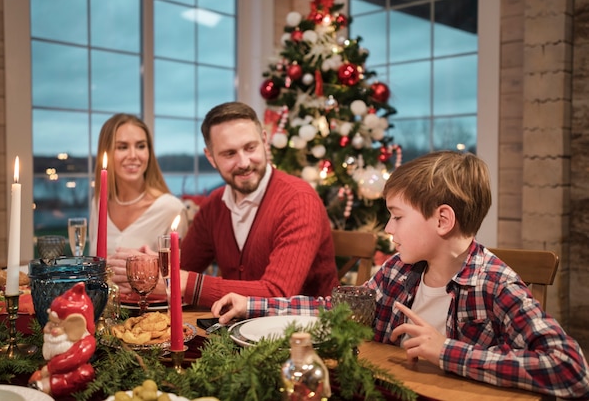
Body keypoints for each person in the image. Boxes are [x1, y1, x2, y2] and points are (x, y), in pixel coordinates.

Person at [211, 151, 589, 399]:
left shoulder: (495, 284)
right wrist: (252, 305)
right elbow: (338, 312)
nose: (388, 228)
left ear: (442, 219)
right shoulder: (399, 270)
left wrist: (446, 352)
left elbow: (571, 369)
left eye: (397, 215)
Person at [177, 101, 339, 307]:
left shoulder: (299, 200)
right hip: (230, 333)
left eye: (250, 148)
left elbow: (279, 293)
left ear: (264, 140)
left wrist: (190, 284)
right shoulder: (214, 206)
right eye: (229, 154)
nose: (244, 162)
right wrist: (152, 268)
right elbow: (181, 269)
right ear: (210, 157)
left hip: (307, 332)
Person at [88, 113, 188, 281]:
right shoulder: (99, 203)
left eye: (141, 146)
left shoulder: (171, 209)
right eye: (122, 147)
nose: (133, 155)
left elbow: (180, 282)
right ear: (107, 153)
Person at [29, 282, 96, 397]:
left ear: (74, 325)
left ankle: (47, 386)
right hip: (52, 368)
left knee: (84, 373)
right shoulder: (60, 339)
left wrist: (50, 368)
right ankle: (41, 381)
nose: (49, 328)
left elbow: (71, 359)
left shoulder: (86, 342)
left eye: (56, 324)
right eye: (50, 323)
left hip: (70, 371)